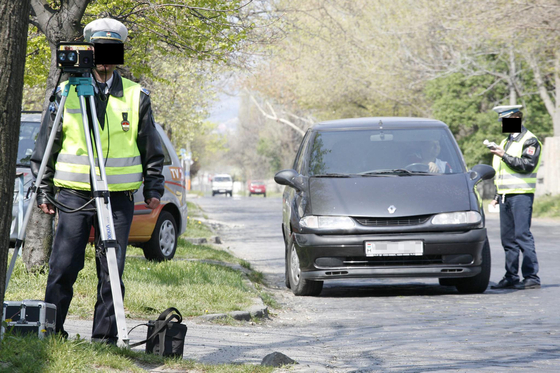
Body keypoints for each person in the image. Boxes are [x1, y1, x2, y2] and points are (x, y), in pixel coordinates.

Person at [30, 18, 165, 342]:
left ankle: (104, 339)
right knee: (64, 266)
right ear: (89, 51)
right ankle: (51, 333)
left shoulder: (136, 96)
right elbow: (48, 143)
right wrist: (43, 189)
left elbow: (151, 147)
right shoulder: (66, 92)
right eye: (99, 50)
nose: (104, 58)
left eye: (111, 50)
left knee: (112, 271)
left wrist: (154, 188)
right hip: (73, 195)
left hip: (118, 197)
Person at [488, 105, 542, 290]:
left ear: (517, 118)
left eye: (506, 120)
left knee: (522, 235)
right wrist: (497, 195)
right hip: (505, 195)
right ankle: (511, 276)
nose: (503, 124)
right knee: (508, 239)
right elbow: (501, 172)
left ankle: (532, 277)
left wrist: (503, 155)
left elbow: (526, 165)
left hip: (521, 194)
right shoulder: (506, 142)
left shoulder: (530, 140)